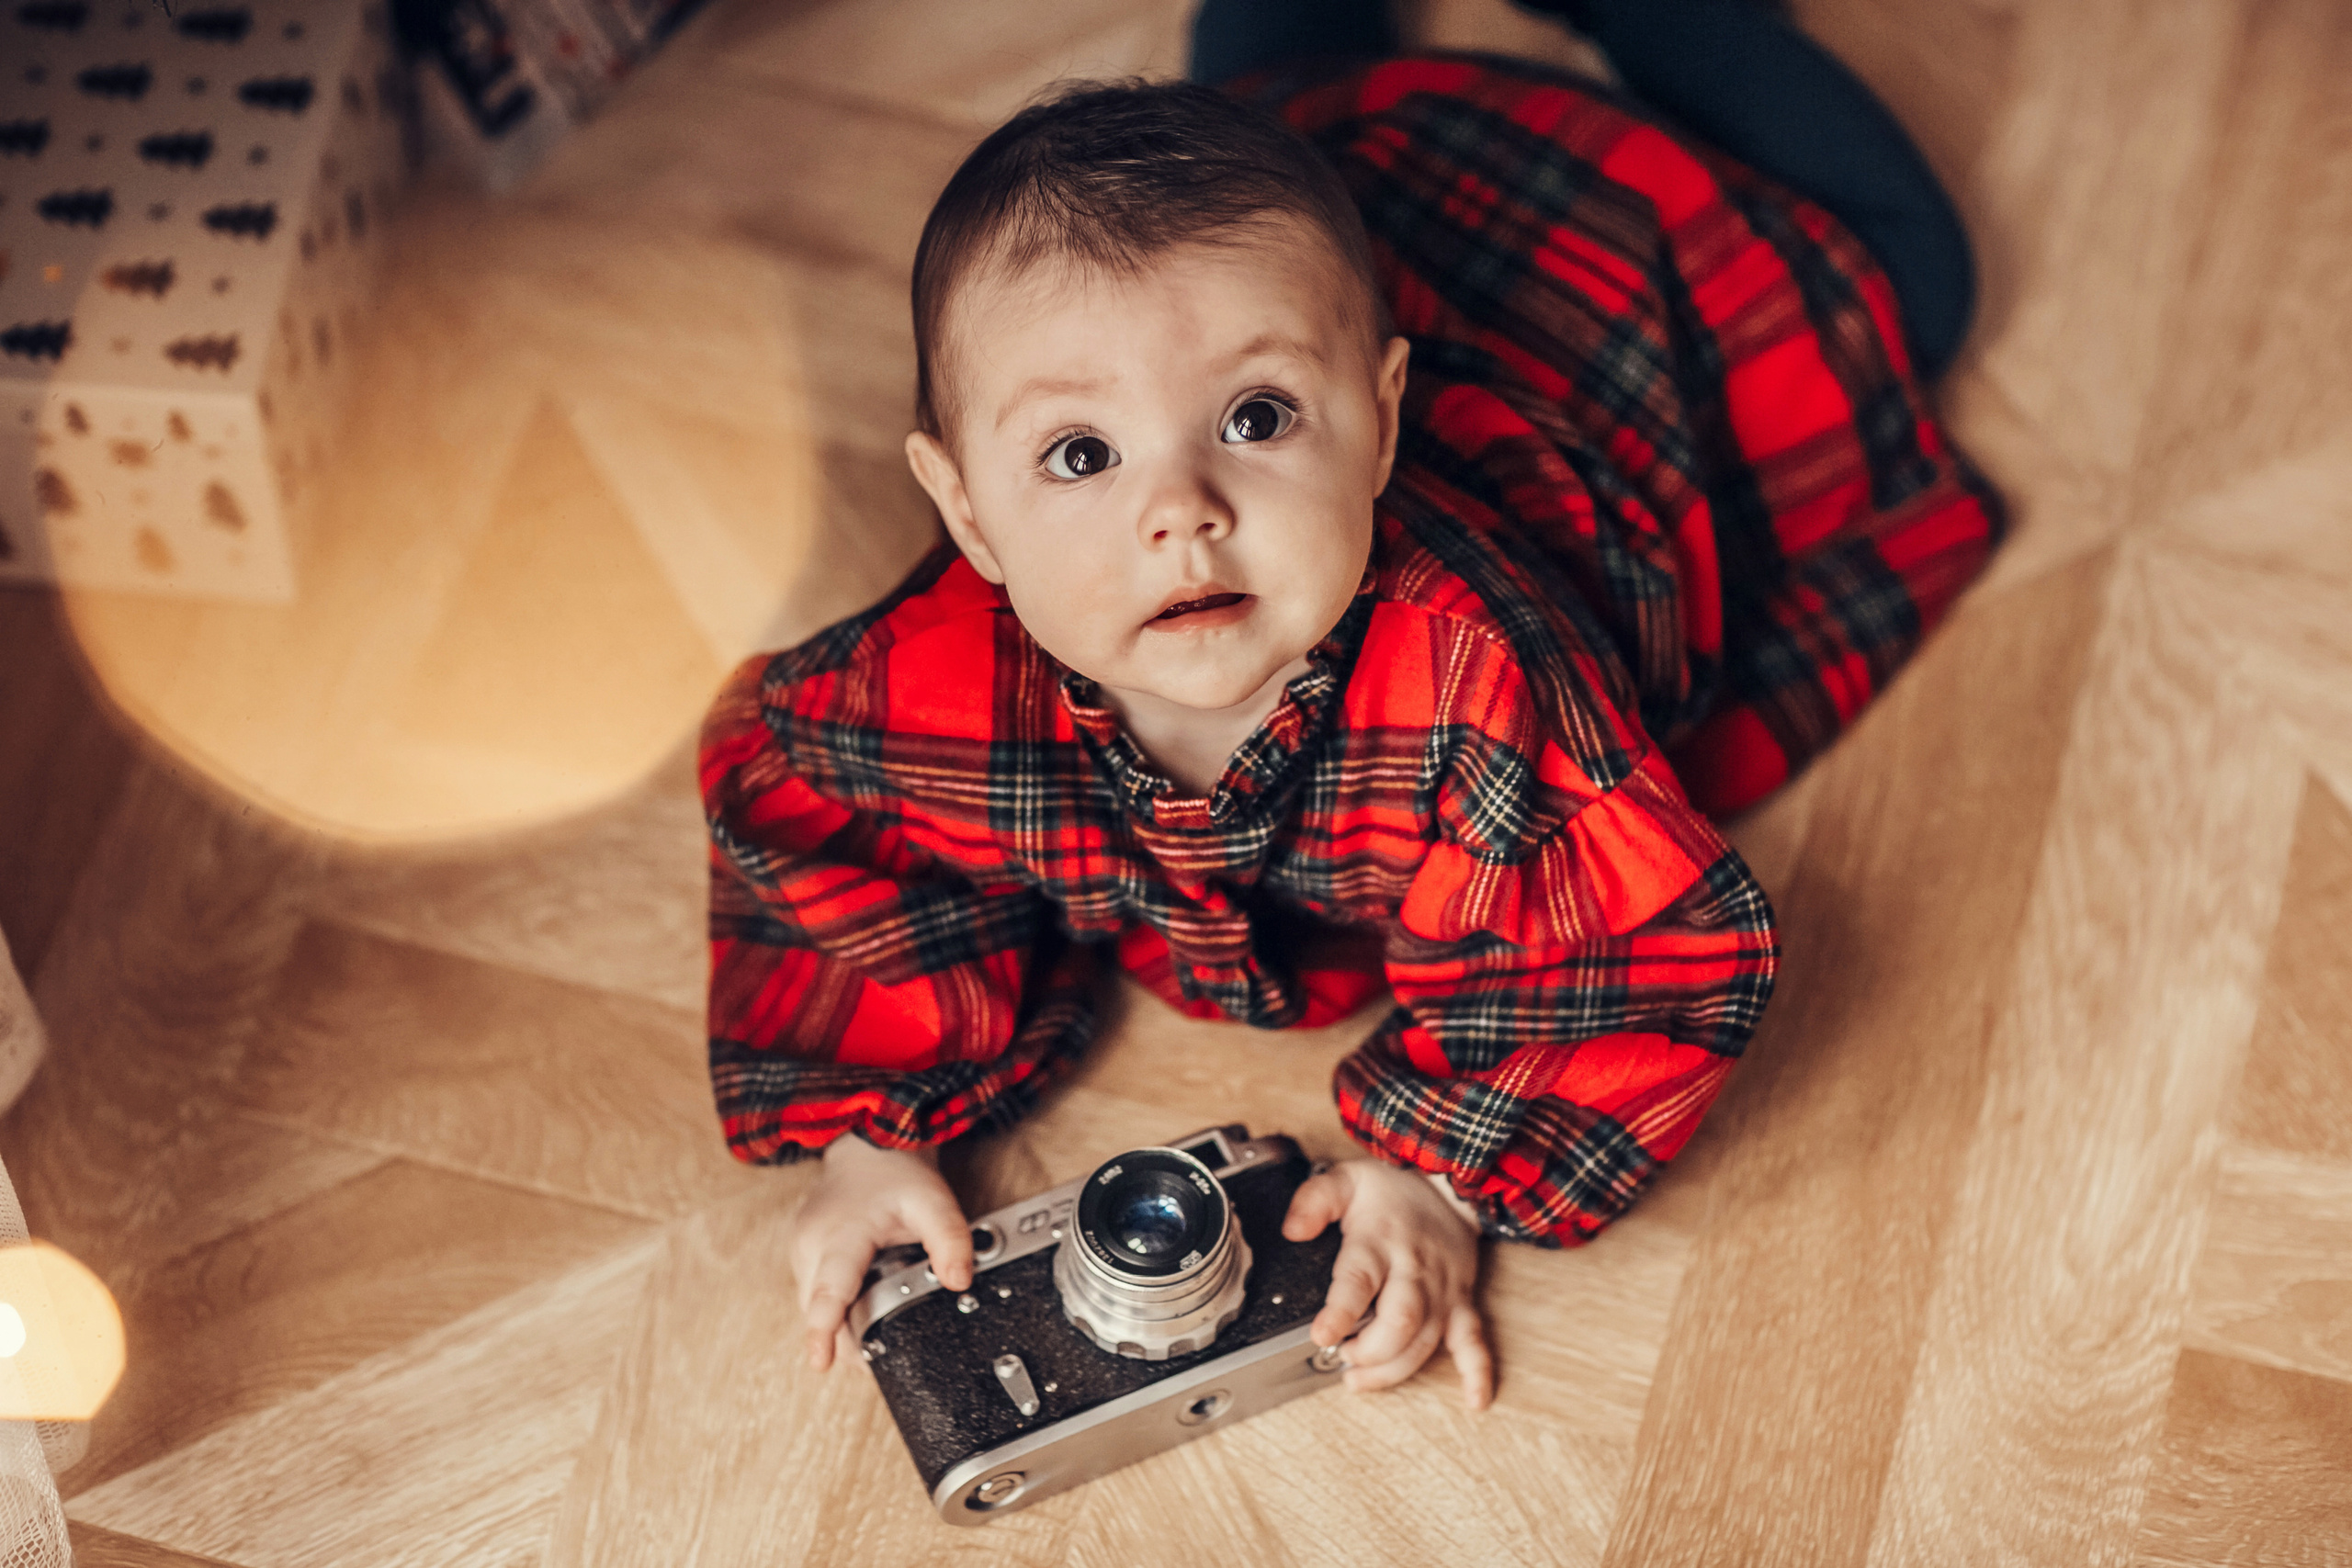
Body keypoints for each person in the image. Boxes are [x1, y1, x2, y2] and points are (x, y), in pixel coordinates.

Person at [700, 11, 2000, 1413]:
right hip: (1310, 180)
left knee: (1910, 280)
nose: (1179, 511)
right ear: (966, 509)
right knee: (1257, 134)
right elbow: (815, 821)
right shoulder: (927, 681)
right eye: (1079, 454)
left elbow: (1616, 948)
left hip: (1595, 268)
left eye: (1257, 421)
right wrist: (867, 1130)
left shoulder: (1476, 677)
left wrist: (1443, 1168)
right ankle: (1290, 122)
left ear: (1381, 422)